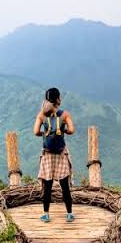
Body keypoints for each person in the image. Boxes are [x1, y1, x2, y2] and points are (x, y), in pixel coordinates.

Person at [33, 87, 75, 222]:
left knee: (48, 185)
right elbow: (71, 130)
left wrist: (45, 133)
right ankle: (69, 214)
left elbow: (35, 132)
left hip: (48, 154)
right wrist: (63, 132)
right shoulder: (65, 114)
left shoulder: (41, 115)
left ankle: (46, 214)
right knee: (64, 186)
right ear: (58, 99)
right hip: (61, 154)